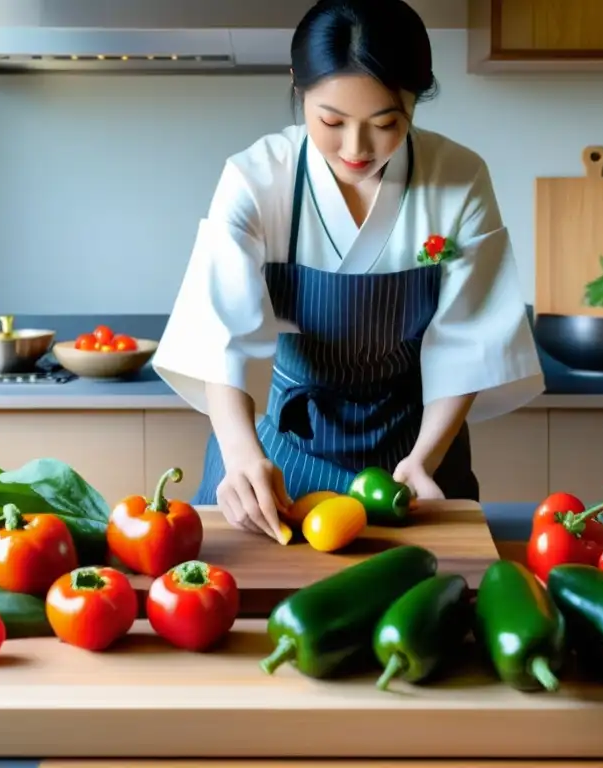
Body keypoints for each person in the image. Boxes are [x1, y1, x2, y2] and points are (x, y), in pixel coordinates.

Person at [153, 0, 544, 542]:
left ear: (416, 97)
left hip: (412, 449)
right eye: (331, 121)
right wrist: (243, 454)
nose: (357, 149)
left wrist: (424, 459)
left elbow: (468, 341)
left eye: (386, 123)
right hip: (280, 447)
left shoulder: (459, 178)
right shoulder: (256, 179)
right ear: (298, 87)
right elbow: (222, 338)